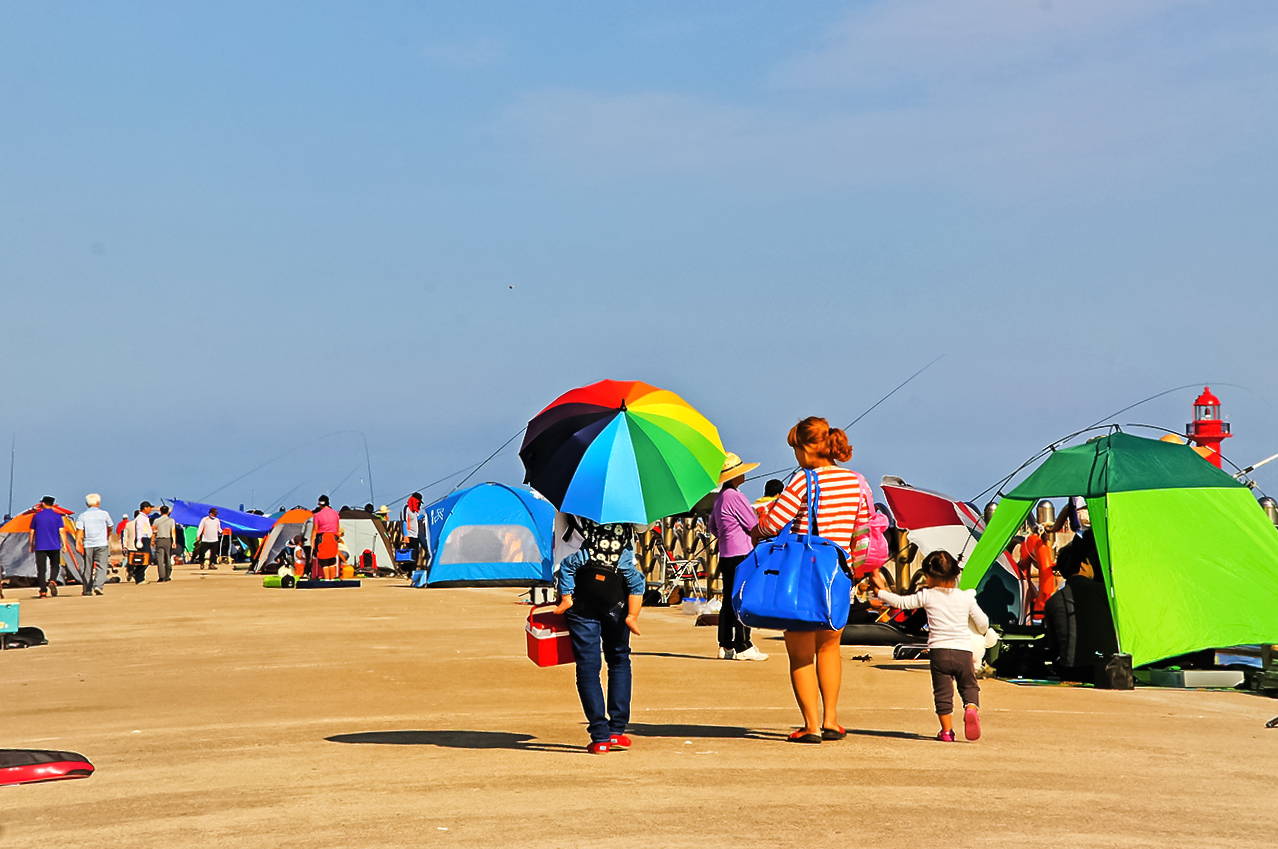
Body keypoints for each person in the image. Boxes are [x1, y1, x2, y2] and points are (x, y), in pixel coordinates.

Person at [754, 417, 872, 743]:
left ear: (807, 449)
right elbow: (864, 531)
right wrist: (854, 570)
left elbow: (774, 523)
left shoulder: (803, 480)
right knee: (830, 648)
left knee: (801, 653)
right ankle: (832, 720)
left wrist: (756, 530)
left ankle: (811, 726)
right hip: (838, 575)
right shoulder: (856, 482)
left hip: (803, 575)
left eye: (796, 449)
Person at [872, 550, 991, 742]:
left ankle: (947, 732)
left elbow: (902, 602)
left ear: (928, 576)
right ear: (956, 574)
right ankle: (970, 708)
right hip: (963, 651)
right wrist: (982, 630)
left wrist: (881, 592)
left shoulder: (927, 595)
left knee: (942, 693)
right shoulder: (966, 597)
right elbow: (983, 622)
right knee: (969, 686)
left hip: (939, 652)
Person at [552, 518, 646, 754]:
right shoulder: (631, 502)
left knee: (587, 666)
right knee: (619, 659)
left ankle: (600, 736)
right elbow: (643, 526)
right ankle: (616, 731)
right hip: (617, 591)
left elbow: (562, 533)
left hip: (580, 589)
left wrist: (564, 592)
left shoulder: (572, 499)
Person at [707, 452, 768, 662]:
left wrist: (727, 536)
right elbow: (753, 525)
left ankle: (725, 645)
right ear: (735, 476)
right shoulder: (736, 496)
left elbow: (712, 526)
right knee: (743, 598)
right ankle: (743, 645)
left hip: (726, 554)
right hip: (741, 555)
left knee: (728, 600)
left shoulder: (720, 497)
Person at [1043, 531, 1118, 682]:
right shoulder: (1105, 592)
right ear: (1083, 565)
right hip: (1109, 668)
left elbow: (1053, 645)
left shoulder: (1053, 601)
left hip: (1071, 671)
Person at [75, 493, 113, 596]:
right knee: (102, 565)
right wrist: (107, 535)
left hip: (88, 544)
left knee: (88, 567)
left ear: (87, 504)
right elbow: (110, 526)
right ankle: (98, 586)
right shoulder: (104, 514)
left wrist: (77, 543)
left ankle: (87, 589)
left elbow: (79, 530)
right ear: (98, 503)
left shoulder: (82, 516)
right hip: (102, 543)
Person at [29, 496, 66, 598]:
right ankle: (53, 580)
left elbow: (32, 532)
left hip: (40, 546)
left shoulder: (37, 516)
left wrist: (31, 544)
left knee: (41, 569)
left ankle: (43, 591)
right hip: (54, 545)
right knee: (55, 565)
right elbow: (62, 531)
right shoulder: (57, 516)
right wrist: (65, 545)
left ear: (43, 504)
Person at [311, 495, 342, 579]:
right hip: (333, 537)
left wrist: (312, 541)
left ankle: (327, 579)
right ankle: (332, 579)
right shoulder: (335, 513)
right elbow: (337, 527)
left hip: (322, 537)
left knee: (324, 561)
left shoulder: (317, 515)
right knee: (331, 560)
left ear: (319, 504)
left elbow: (315, 529)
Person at [152, 505, 177, 582]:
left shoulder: (156, 520)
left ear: (160, 511)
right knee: (168, 557)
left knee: (160, 559)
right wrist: (174, 542)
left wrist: (152, 541)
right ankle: (167, 575)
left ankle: (161, 576)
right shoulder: (171, 520)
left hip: (159, 540)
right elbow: (173, 531)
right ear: (168, 512)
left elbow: (153, 531)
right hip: (168, 540)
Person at [132, 501, 154, 584]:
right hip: (142, 539)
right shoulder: (141, 517)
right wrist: (139, 540)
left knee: (147, 558)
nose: (150, 509)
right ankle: (138, 576)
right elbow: (139, 529)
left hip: (146, 539)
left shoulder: (145, 517)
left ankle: (139, 575)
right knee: (145, 559)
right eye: (149, 508)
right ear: (145, 508)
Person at [400, 493, 424, 566]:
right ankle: (408, 569)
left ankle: (411, 569)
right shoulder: (406, 508)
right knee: (412, 554)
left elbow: (416, 519)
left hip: (415, 535)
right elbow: (404, 521)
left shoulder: (415, 511)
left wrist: (424, 515)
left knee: (416, 554)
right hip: (409, 535)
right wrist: (405, 535)